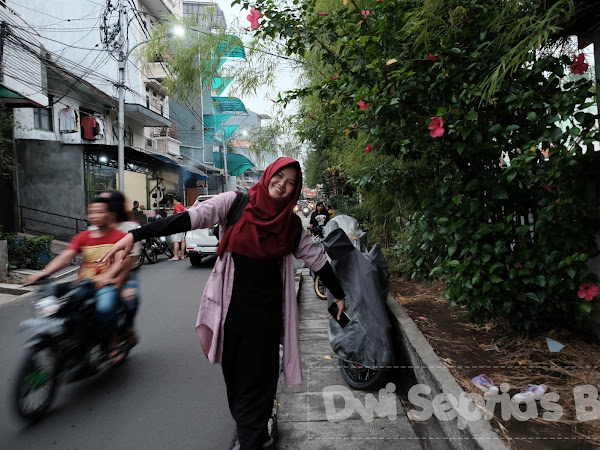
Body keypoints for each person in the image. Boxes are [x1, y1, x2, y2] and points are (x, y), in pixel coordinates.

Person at [99, 157, 346, 450]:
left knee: (260, 381)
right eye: (280, 177)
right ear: (269, 175)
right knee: (235, 381)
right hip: (231, 314)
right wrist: (136, 234)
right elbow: (189, 218)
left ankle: (251, 438)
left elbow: (317, 258)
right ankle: (252, 430)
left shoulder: (291, 226)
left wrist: (339, 294)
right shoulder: (235, 204)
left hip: (266, 319)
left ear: (295, 191)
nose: (282, 185)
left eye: (291, 183)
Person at [25, 195, 128, 363]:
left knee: (105, 308)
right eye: (91, 212)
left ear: (109, 214)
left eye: (99, 212)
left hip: (106, 285)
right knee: (63, 307)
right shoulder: (83, 237)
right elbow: (64, 257)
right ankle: (73, 343)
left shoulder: (118, 236)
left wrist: (107, 277)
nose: (94, 215)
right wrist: (43, 273)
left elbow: (119, 261)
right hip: (84, 284)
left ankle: (113, 344)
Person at [96, 190, 141, 348]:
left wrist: (117, 280)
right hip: (99, 274)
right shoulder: (95, 227)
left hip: (127, 274)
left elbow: (129, 260)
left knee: (130, 299)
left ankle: (127, 328)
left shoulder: (130, 227)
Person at [169, 195, 186, 261]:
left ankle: (176, 256)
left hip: (177, 226)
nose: (173, 201)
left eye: (173, 200)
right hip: (183, 225)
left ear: (175, 200)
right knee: (182, 240)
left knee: (176, 241)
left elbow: (178, 214)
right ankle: (182, 255)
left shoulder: (177, 207)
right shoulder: (183, 206)